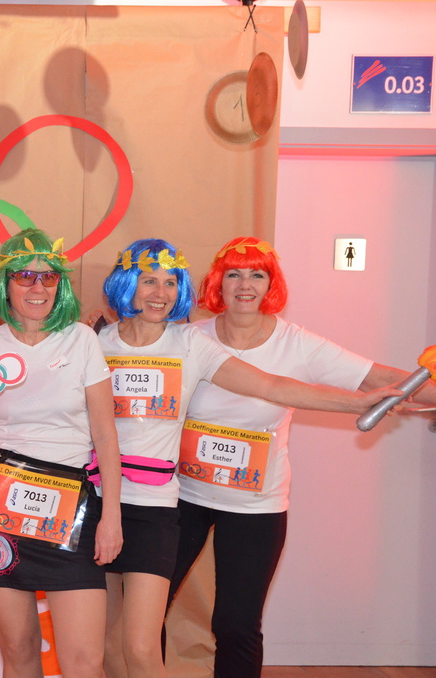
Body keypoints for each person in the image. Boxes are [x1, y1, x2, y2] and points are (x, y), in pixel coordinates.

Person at [95, 237, 398, 678]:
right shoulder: (118, 339)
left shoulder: (200, 342)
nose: (159, 293)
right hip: (159, 498)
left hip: (235, 504)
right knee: (126, 630)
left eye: (257, 274)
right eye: (148, 281)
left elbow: (273, 386)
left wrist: (360, 402)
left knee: (232, 625)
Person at [166, 236, 436, 678]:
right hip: (182, 497)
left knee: (236, 624)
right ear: (217, 282)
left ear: (271, 284)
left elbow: (376, 377)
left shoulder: (298, 344)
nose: (245, 285)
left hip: (256, 505)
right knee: (145, 609)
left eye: (258, 274)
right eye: (234, 274)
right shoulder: (188, 338)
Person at [0, 228, 124, 678]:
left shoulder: (82, 341)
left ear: (60, 284)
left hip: (75, 509)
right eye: (25, 276)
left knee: (85, 661)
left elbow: (106, 436)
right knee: (20, 652)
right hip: (2, 505)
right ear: (5, 283)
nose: (37, 287)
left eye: (48, 277)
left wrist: (112, 517)